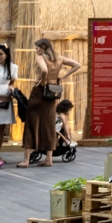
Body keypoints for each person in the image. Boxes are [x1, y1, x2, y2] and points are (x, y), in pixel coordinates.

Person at [18, 38, 80, 168]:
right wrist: (62, 77)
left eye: (37, 48)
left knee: (31, 123)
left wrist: (43, 81)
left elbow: (44, 70)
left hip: (39, 93)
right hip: (52, 93)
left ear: (43, 48)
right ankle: (48, 159)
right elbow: (77, 65)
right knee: (48, 125)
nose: (36, 50)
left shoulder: (40, 57)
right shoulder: (60, 58)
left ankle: (26, 160)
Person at [0, 44, 18, 169]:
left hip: (4, 99)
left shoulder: (13, 67)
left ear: (6, 54)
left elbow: (12, 82)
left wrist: (11, 88)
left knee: (1, 127)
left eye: (1, 54)